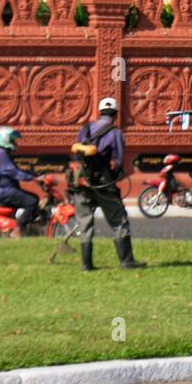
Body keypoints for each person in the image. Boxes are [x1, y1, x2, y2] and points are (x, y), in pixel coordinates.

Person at [70, 96, 145, 272]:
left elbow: (76, 156)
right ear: (116, 114)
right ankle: (126, 261)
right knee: (119, 221)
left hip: (82, 183)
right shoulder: (116, 133)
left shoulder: (85, 129)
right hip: (104, 185)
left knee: (84, 222)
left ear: (100, 112)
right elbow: (116, 161)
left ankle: (86, 264)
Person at [0, 128, 40, 232]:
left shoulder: (4, 154)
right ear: (5, 140)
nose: (15, 143)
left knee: (34, 197)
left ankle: (28, 228)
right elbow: (13, 172)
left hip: (7, 189)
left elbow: (17, 170)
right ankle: (18, 228)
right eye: (13, 141)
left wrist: (34, 174)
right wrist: (31, 178)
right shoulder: (1, 154)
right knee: (32, 202)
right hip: (4, 191)